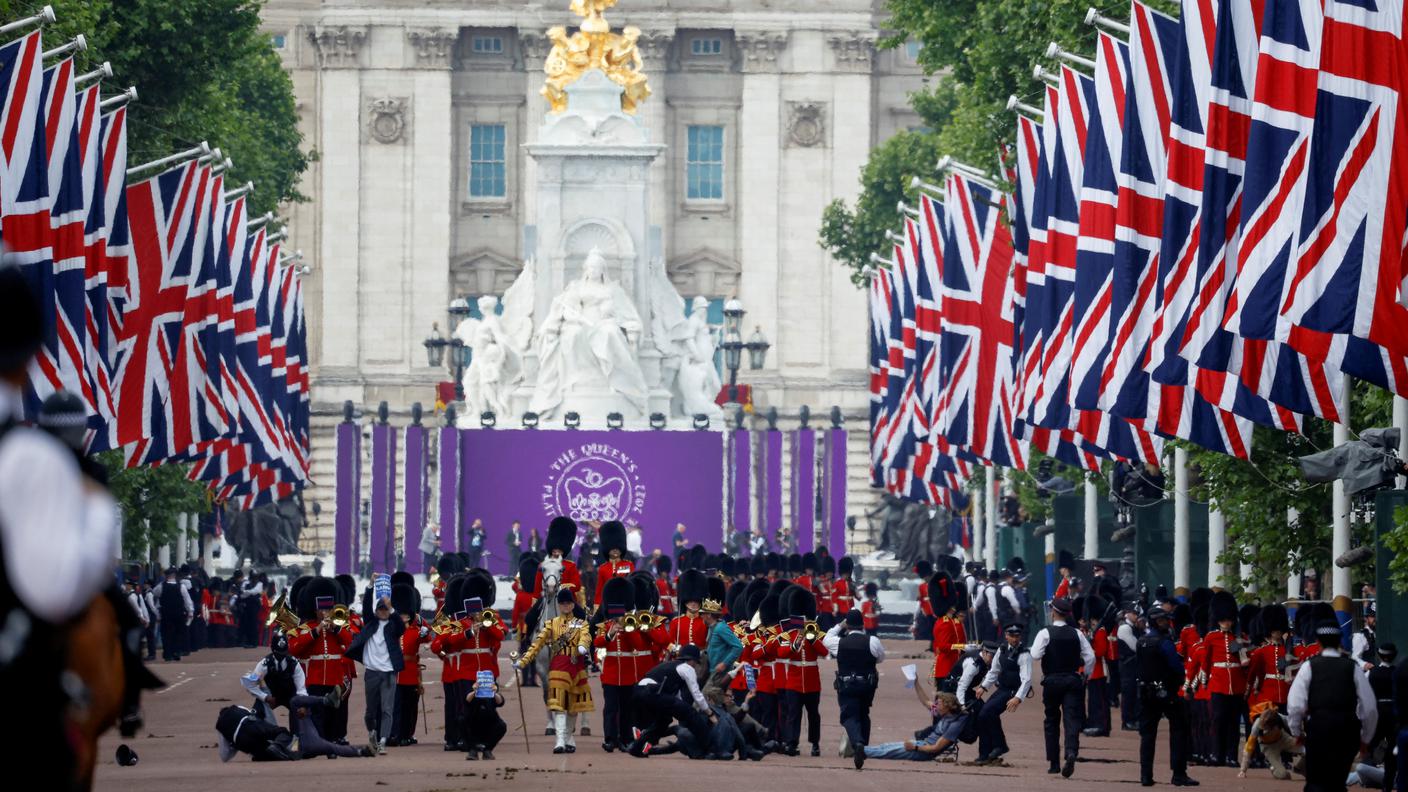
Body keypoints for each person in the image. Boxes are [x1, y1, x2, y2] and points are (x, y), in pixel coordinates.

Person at [1287, 617, 1378, 792]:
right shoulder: (1352, 667)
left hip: (1318, 728)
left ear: (1318, 642)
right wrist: (1365, 738)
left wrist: (1297, 732)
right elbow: (1369, 708)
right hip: (1346, 730)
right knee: (1337, 781)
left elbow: (1295, 706)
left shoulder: (1309, 666)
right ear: (1339, 642)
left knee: (1316, 781)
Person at [516, 587, 592, 754]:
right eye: (563, 604)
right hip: (558, 667)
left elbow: (586, 637)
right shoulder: (551, 624)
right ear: (560, 605)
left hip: (576, 667)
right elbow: (537, 645)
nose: (565, 606)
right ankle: (559, 741)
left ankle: (568, 737)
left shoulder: (581, 624)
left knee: (573, 707)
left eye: (568, 603)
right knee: (558, 705)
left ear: (572, 605)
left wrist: (582, 648)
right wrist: (523, 661)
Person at [1031, 596, 1095, 778]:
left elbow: (1035, 654)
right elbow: (1090, 657)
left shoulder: (1045, 633)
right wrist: (1086, 675)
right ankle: (1071, 751)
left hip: (1051, 680)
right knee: (1071, 718)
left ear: (1053, 612)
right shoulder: (1077, 633)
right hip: (1073, 679)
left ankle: (1053, 762)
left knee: (1051, 719)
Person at [1137, 607, 1197, 787]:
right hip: (1167, 692)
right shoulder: (1164, 642)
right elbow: (1176, 666)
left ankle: (1145, 775)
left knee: (1148, 735)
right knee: (1178, 731)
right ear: (1156, 621)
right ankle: (1178, 774)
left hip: (1147, 693)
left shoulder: (1141, 641)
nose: (1167, 623)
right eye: (1163, 620)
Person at [345, 587, 406, 755]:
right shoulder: (370, 623)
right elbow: (366, 607)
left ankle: (383, 741)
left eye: (385, 609)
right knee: (370, 711)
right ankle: (372, 733)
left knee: (387, 709)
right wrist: (370, 587)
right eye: (381, 609)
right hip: (371, 672)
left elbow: (402, 626)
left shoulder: (394, 627)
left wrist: (391, 607)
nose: (383, 612)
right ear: (376, 611)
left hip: (388, 673)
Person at [626, 644, 715, 758]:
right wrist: (709, 713)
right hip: (652, 693)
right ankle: (709, 749)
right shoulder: (687, 668)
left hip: (638, 691)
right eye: (696, 663)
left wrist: (681, 709)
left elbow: (676, 698)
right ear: (692, 661)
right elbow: (697, 695)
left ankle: (636, 747)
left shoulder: (670, 666)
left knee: (663, 722)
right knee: (692, 714)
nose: (695, 666)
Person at [824, 610, 884, 769]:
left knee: (849, 716)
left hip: (846, 685)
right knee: (864, 714)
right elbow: (880, 658)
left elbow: (826, 639)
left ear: (847, 626)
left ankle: (858, 743)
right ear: (863, 624)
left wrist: (839, 625)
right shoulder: (873, 641)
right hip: (867, 686)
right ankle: (863, 747)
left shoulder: (839, 642)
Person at [1201, 591, 1247, 768]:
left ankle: (1231, 756)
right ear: (1218, 619)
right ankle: (1216, 754)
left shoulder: (1239, 638)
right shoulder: (1211, 637)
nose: (1227, 623)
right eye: (1223, 619)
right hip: (1218, 683)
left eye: (1229, 619)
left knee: (1233, 722)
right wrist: (1205, 682)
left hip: (1236, 685)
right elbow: (1206, 662)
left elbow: (1245, 663)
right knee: (1218, 720)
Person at [976, 624, 1032, 765]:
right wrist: (984, 686)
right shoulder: (1001, 650)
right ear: (1006, 636)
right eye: (1011, 636)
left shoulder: (1024, 654)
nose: (1014, 639)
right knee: (983, 715)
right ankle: (985, 753)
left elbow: (1026, 679)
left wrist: (1018, 698)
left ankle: (1000, 745)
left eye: (1017, 636)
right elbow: (994, 671)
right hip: (1002, 689)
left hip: (1013, 691)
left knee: (989, 712)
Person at [863, 690, 966, 762]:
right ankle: (859, 749)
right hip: (920, 744)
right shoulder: (943, 714)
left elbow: (936, 748)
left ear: (947, 706)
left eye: (939, 703)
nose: (936, 705)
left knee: (887, 752)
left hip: (923, 751)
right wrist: (916, 682)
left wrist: (915, 747)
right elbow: (926, 701)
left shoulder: (954, 724)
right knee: (885, 746)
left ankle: (857, 750)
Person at [389, 583, 429, 746]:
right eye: (401, 614)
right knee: (395, 706)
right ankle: (395, 733)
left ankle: (407, 734)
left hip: (411, 672)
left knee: (410, 706)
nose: (404, 617)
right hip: (396, 672)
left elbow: (428, 637)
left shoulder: (416, 630)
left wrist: (421, 623)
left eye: (406, 614)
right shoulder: (391, 629)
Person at [1238, 701, 1301, 781]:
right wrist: (1243, 770)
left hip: (1284, 739)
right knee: (1283, 775)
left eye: (1265, 727)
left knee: (1307, 749)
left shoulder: (1281, 718)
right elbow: (1249, 748)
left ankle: (1300, 768)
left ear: (1274, 725)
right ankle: (1273, 768)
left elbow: (1295, 727)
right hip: (1268, 747)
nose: (1263, 728)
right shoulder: (1256, 726)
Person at [462, 675, 507, 761]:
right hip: (474, 727)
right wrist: (475, 691)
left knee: (502, 726)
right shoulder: (473, 693)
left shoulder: (492, 696)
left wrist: (493, 693)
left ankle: (487, 750)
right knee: (461, 720)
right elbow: (467, 700)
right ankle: (472, 750)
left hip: (489, 727)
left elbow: (501, 701)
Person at [153, 566, 193, 661]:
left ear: (167, 576)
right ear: (174, 575)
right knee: (178, 633)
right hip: (179, 613)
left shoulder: (161, 586)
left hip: (166, 613)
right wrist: (190, 611)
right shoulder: (181, 586)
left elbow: (155, 593)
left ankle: (168, 654)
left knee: (166, 634)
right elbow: (187, 600)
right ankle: (176, 652)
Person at [1118, 606, 1144, 731]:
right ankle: (1127, 721)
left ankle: (1132, 719)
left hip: (1133, 664)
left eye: (1137, 614)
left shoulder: (1133, 627)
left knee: (1133, 692)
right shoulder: (1125, 628)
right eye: (1133, 613)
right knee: (1128, 692)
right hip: (1127, 665)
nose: (1136, 616)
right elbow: (1136, 646)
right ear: (1127, 614)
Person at [703, 596, 743, 674]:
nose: (701, 616)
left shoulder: (721, 628)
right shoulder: (711, 628)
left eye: (702, 614)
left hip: (722, 673)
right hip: (713, 671)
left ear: (708, 615)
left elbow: (738, 646)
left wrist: (724, 664)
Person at [1353, 603, 1378, 670]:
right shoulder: (1361, 636)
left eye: (1377, 616)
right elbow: (1354, 657)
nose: (1375, 619)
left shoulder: (1384, 633)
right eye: (1373, 616)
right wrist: (1364, 665)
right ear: (1366, 618)